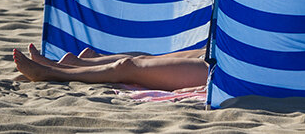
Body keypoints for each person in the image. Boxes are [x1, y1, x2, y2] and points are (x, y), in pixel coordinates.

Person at [12, 44, 207, 92]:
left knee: (128, 66)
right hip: (214, 56)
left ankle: (52, 73)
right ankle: (77, 64)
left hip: (220, 71)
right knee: (146, 59)